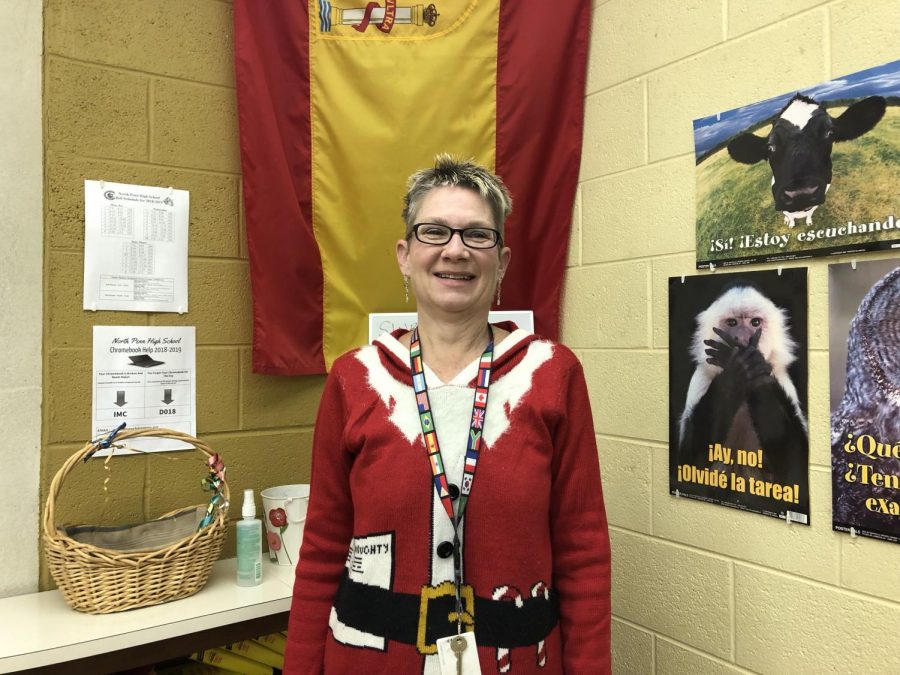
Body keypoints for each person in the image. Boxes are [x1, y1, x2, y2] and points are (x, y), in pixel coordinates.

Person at [284, 155, 611, 674]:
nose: (455, 250)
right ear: (404, 254)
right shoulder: (354, 379)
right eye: (434, 232)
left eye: (477, 235)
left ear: (501, 262)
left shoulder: (553, 375)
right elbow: (324, 545)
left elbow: (583, 552)